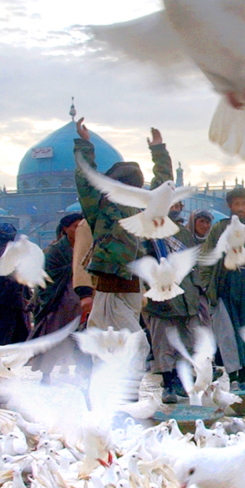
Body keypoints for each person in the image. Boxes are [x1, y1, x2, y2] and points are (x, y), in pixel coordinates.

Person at [74, 119, 172, 333]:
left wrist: (159, 150)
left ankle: (116, 365)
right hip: (113, 280)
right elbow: (85, 181)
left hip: (130, 282)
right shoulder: (103, 206)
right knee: (119, 337)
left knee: (114, 336)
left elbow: (164, 187)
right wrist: (158, 150)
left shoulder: (139, 206)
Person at [199, 186, 245, 389]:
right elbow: (207, 257)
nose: (241, 208)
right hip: (225, 284)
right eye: (237, 204)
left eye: (244, 204)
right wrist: (207, 286)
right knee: (227, 331)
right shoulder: (219, 229)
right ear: (230, 207)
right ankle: (233, 376)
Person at [141, 208, 201, 403]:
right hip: (162, 298)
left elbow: (194, 264)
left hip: (186, 297)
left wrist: (197, 291)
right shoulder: (148, 234)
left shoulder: (184, 234)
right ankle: (168, 385)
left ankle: (181, 382)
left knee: (186, 343)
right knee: (163, 343)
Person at [28, 213, 90, 380]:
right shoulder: (55, 251)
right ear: (65, 229)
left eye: (81, 227)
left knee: (83, 338)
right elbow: (46, 277)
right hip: (60, 301)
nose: (78, 231)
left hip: (83, 301)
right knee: (53, 338)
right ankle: (46, 374)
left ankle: (83, 373)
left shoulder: (88, 247)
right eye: (74, 227)